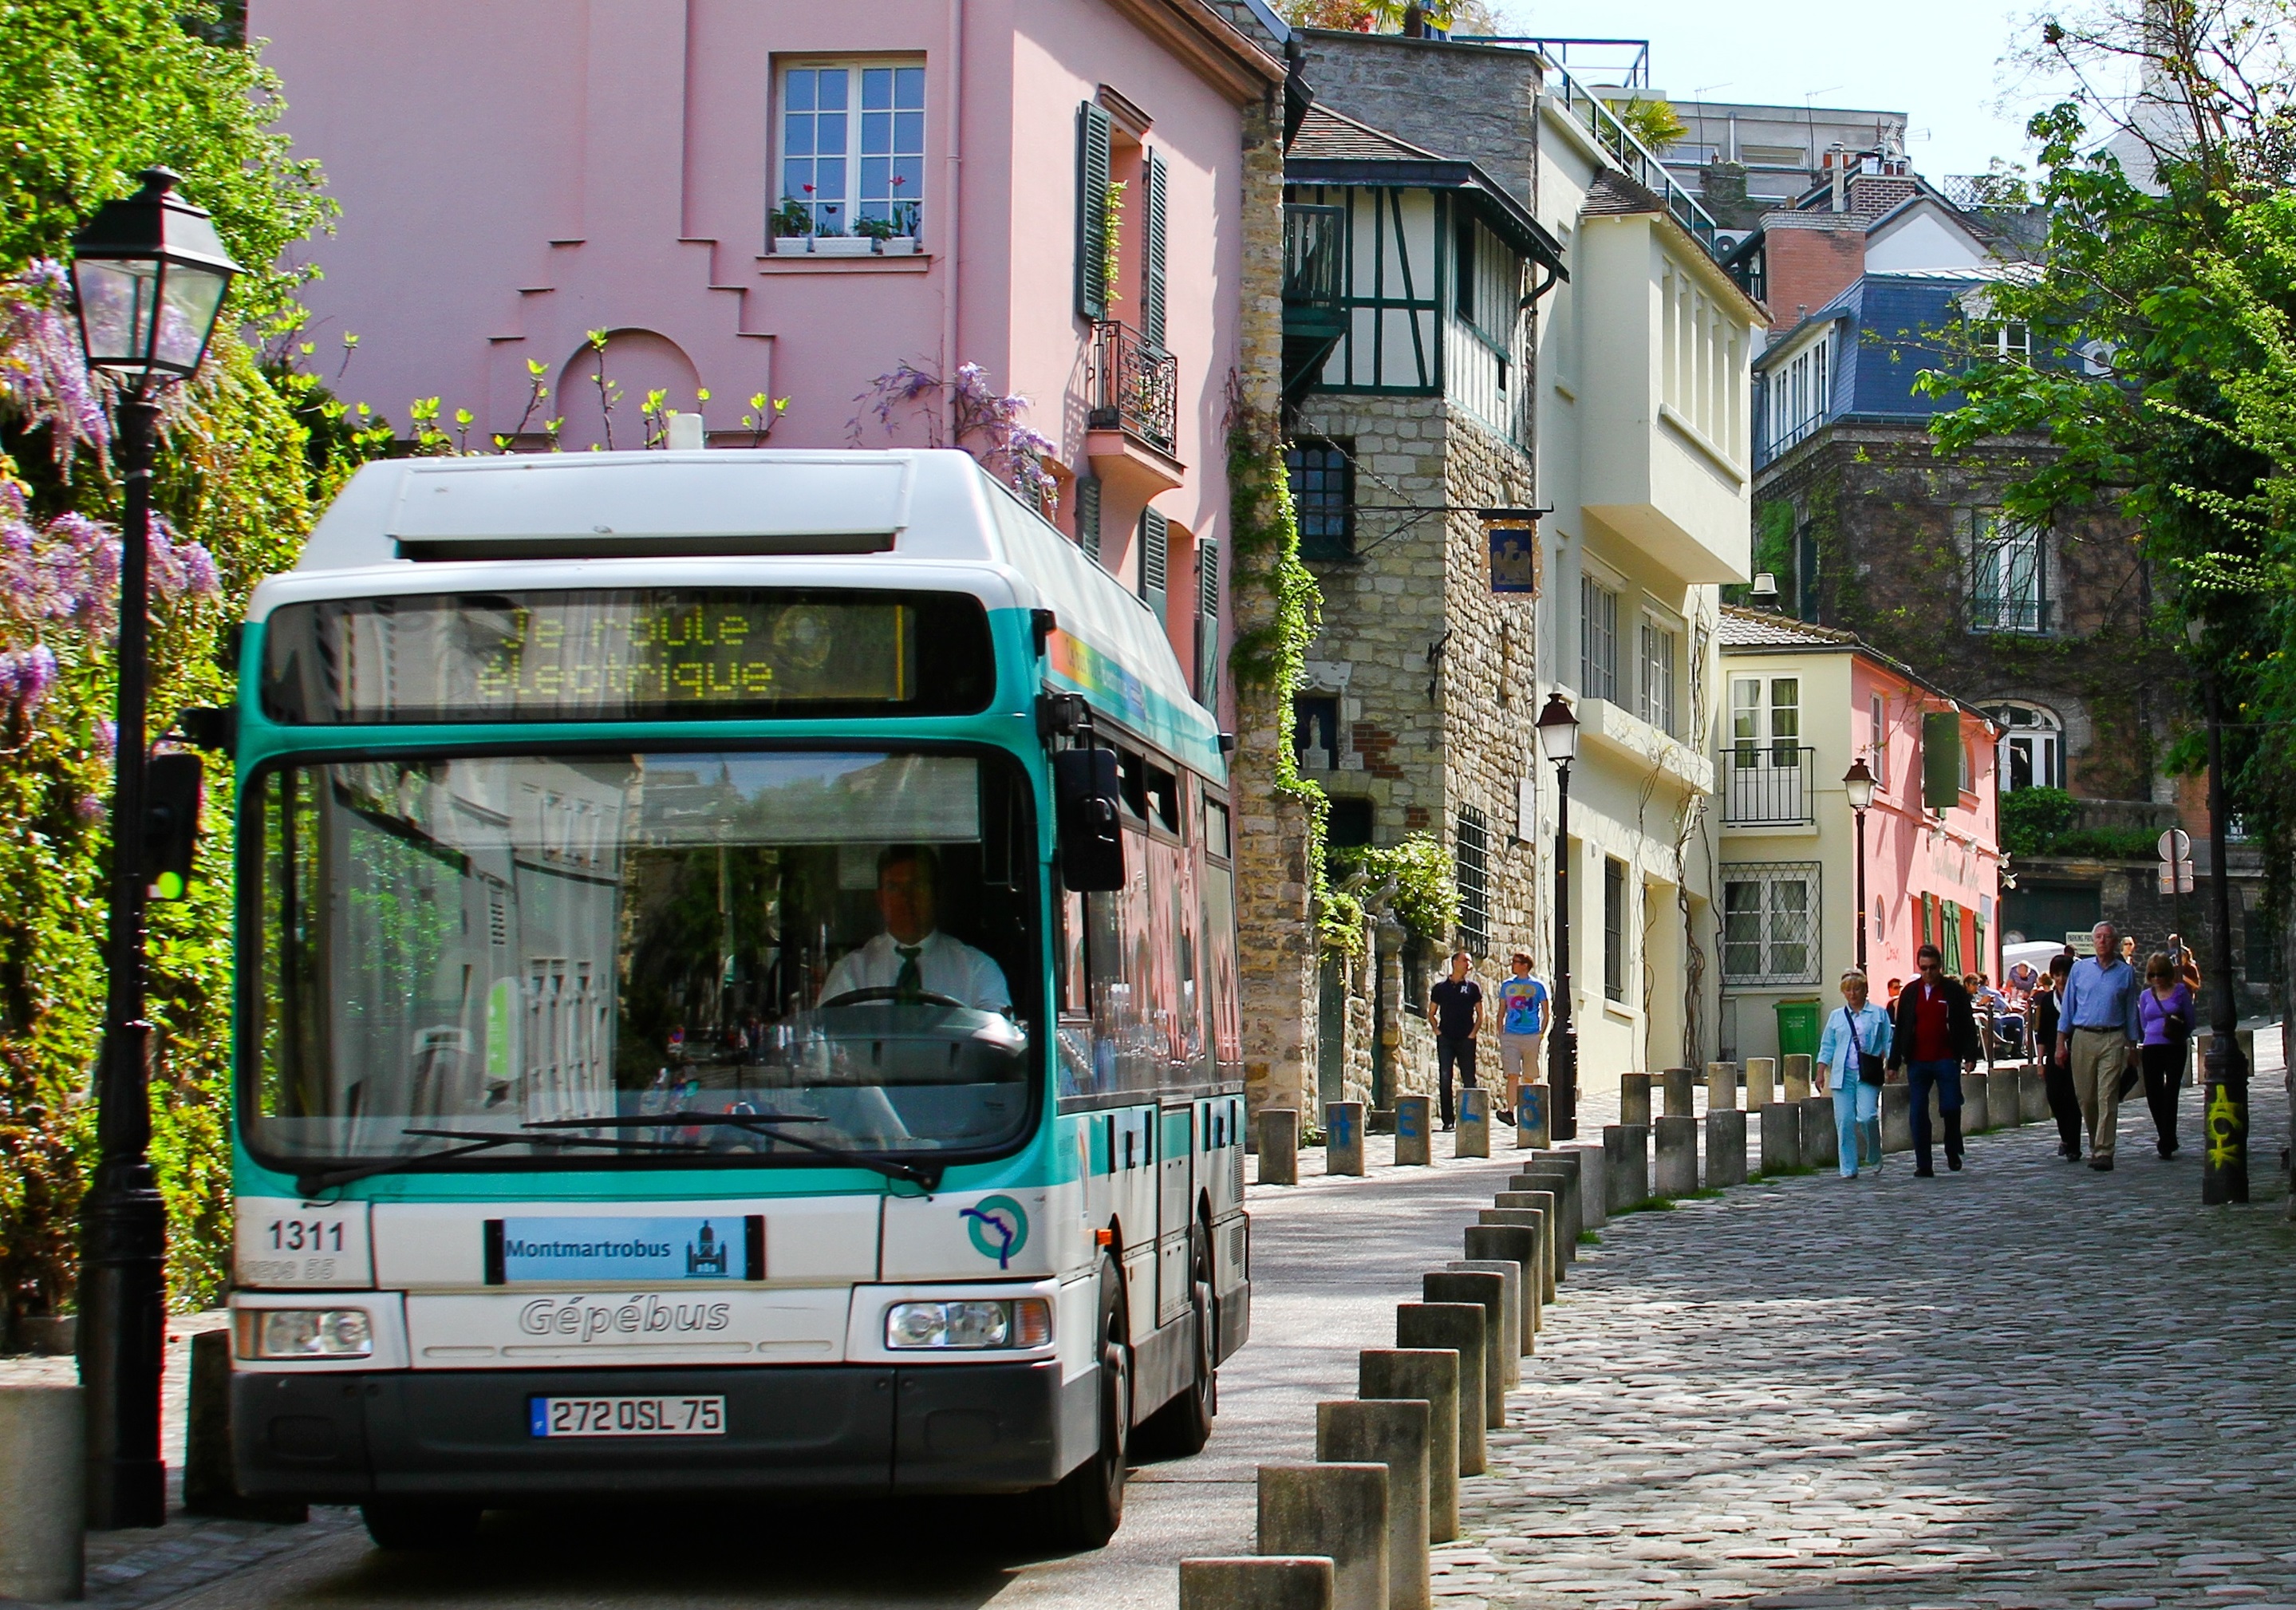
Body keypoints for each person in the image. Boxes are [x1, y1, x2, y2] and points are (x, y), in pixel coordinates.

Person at [818, 844, 1011, 1012]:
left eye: (917, 886)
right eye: (894, 888)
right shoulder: (851, 972)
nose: (906, 898)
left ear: (936, 894)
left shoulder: (977, 970)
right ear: (880, 899)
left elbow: (995, 1040)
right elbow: (825, 1042)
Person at [1887, 944, 1982, 1176]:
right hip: (1918, 1060)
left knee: (1950, 1106)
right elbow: (1901, 1029)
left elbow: (1967, 1024)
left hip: (1946, 1058)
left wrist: (1970, 1055)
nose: (1928, 973)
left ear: (1940, 967)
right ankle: (1924, 1163)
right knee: (1918, 1112)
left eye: (1932, 968)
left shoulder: (1953, 991)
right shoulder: (1910, 992)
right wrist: (1893, 1063)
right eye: (1924, 968)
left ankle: (1952, 1147)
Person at [2056, 920, 2144, 1171]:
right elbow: (2068, 1009)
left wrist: (2133, 1046)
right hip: (2083, 1036)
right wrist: (2061, 1043)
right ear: (2093, 942)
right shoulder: (2080, 970)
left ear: (2115, 942)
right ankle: (2096, 1143)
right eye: (2099, 937)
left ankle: (2105, 1151)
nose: (2103, 941)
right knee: (2086, 1097)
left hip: (2113, 1036)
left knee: (2107, 1095)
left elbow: (2130, 1011)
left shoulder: (2125, 973)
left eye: (2107, 937)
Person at [1816, 969, 1893, 1178]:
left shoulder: (1878, 1014)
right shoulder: (1836, 1016)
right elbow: (1827, 1045)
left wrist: (1892, 1064)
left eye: (1857, 989)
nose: (1853, 994)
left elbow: (1888, 1040)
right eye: (1848, 990)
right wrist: (1821, 1070)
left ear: (1865, 990)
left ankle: (1874, 1154)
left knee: (1867, 1116)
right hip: (1842, 1074)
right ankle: (1848, 1167)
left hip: (1868, 1073)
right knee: (1845, 1121)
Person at [2136, 951, 2195, 1158]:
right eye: (2152, 975)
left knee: (2171, 1093)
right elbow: (2143, 1022)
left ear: (2168, 974)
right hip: (2152, 1047)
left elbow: (2190, 1019)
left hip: (2174, 1047)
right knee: (2154, 1093)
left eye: (2160, 974)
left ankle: (2167, 1138)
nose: (2156, 979)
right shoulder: (2145, 996)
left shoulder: (2180, 991)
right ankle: (2166, 1135)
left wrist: (2179, 1036)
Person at [2032, 953, 2082, 1160]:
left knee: (2073, 1099)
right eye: (2057, 975)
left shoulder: (2079, 997)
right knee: (2054, 1096)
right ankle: (2065, 1136)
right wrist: (2040, 1061)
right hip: (2053, 1053)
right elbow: (2041, 1033)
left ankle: (2074, 1145)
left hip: (2076, 1052)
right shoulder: (2046, 1000)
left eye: (2065, 974)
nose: (2061, 979)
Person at [1427, 949, 1484, 1130]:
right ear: (1455, 963)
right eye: (1465, 961)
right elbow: (1431, 1013)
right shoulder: (1440, 989)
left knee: (1469, 1078)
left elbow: (1481, 1014)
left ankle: (1470, 1118)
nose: (1469, 964)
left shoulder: (1473, 988)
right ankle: (1448, 1120)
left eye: (1469, 962)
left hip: (1466, 1038)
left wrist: (1473, 1033)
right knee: (1445, 1078)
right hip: (1446, 1039)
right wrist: (1437, 1031)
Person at [1493, 951, 1548, 1127]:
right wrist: (1501, 1032)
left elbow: (1546, 1011)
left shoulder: (1538, 987)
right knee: (1512, 1074)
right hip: (1511, 1035)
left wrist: (1540, 1033)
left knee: (1529, 1075)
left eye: (1516, 962)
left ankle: (1527, 1111)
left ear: (1525, 965)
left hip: (1531, 1035)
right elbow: (1502, 1010)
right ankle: (1510, 1111)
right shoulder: (1507, 986)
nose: (1512, 965)